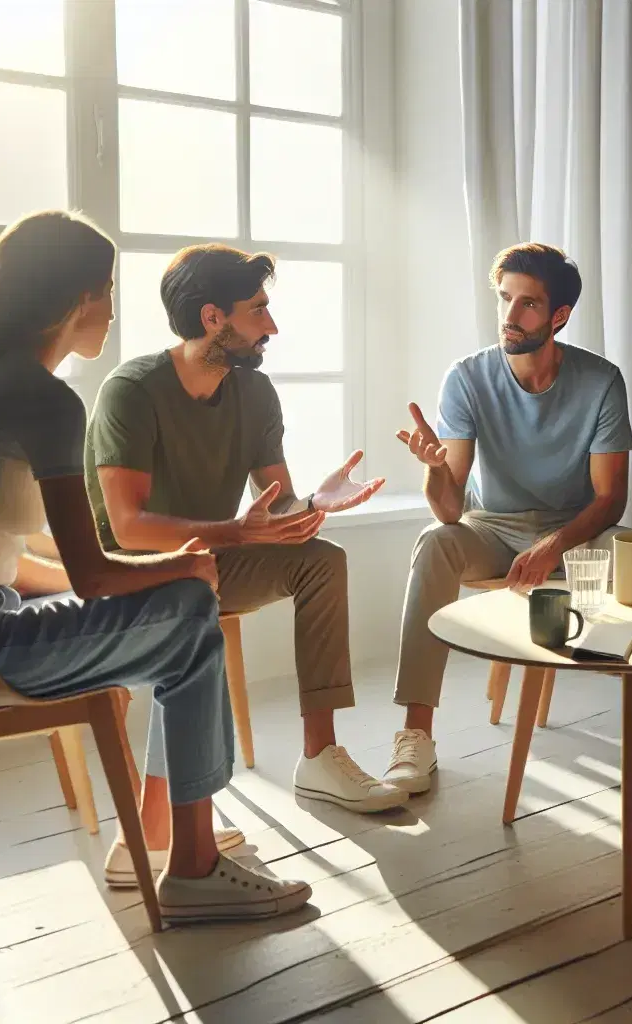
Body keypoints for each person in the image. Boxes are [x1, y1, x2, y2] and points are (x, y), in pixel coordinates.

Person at [0, 211, 312, 922]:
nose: (113, 308)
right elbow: (92, 576)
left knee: (184, 606)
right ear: (78, 299)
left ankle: (162, 834)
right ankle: (193, 863)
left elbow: (5, 558)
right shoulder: (44, 400)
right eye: (107, 288)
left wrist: (176, 569)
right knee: (194, 610)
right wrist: (183, 566)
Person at [85, 244, 399, 818]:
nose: (272, 326)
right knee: (193, 582)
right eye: (258, 310)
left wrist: (312, 502)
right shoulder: (131, 392)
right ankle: (182, 809)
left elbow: (272, 516)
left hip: (211, 560)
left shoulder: (254, 393)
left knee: (322, 559)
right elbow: (127, 529)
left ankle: (321, 756)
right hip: (138, 574)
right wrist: (233, 534)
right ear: (213, 318)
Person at [387, 243, 632, 791]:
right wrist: (433, 471)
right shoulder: (467, 378)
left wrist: (554, 546)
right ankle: (415, 735)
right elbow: (452, 509)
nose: (510, 316)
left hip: (575, 528)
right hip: (492, 526)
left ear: (559, 316)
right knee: (434, 541)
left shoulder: (601, 381)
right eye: (505, 300)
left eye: (527, 304)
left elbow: (610, 500)